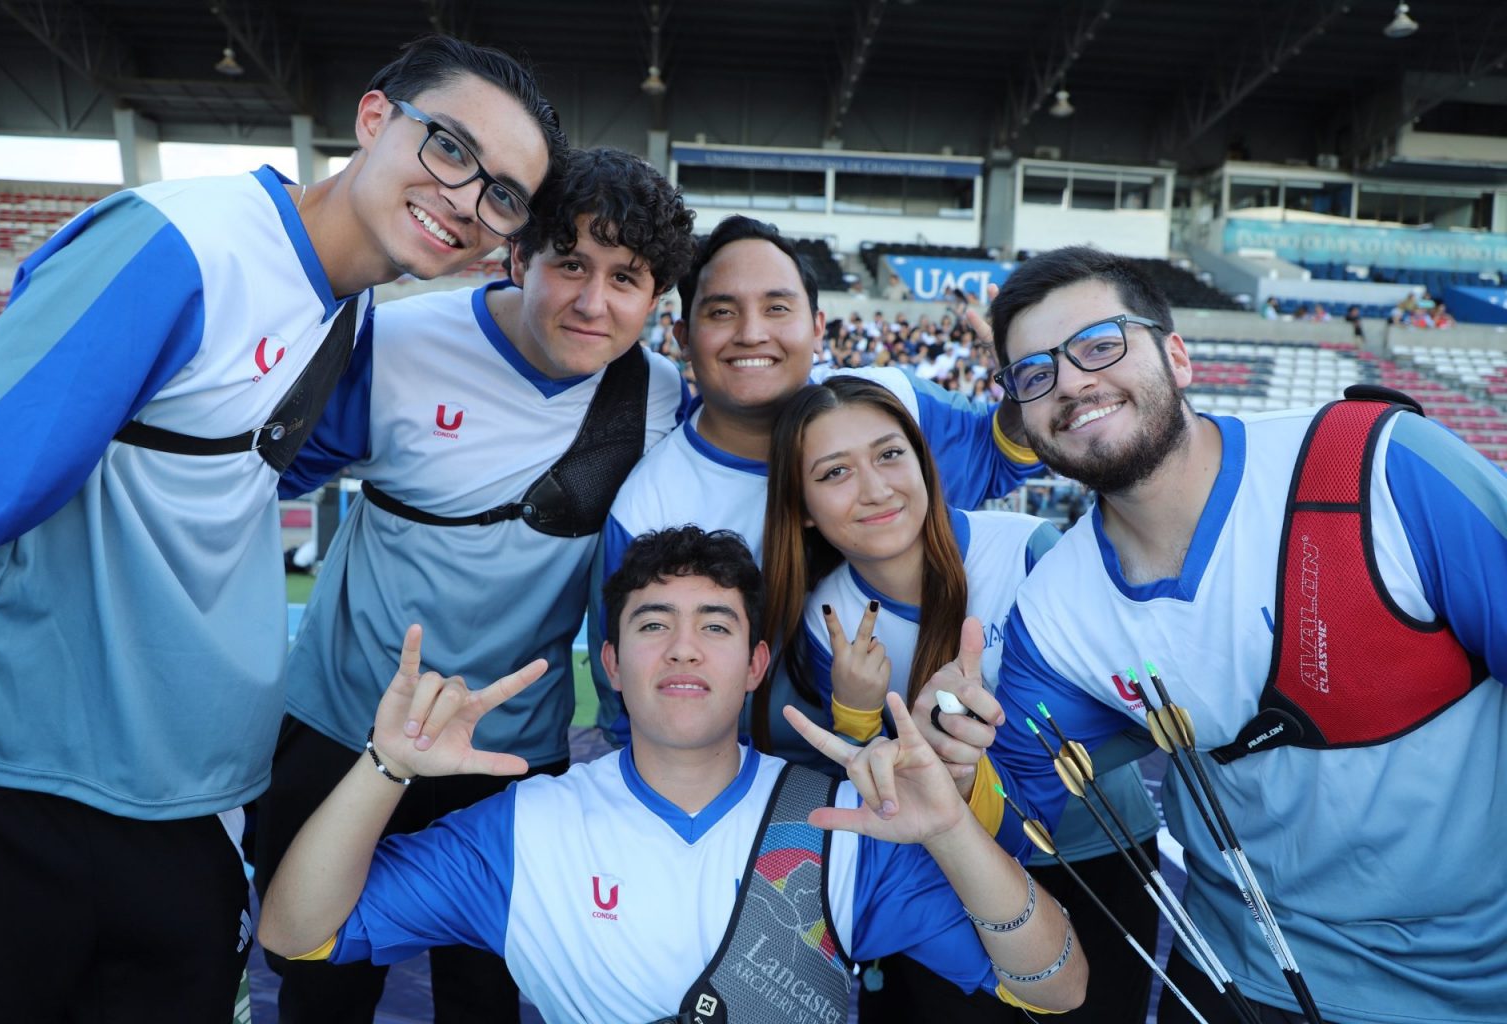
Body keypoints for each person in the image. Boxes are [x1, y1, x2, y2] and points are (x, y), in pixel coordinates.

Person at [0, 34, 563, 1022]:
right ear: (373, 118)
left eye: (503, 194)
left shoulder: (348, 312)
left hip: (189, 802)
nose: (467, 200)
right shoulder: (181, 245)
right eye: (451, 148)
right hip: (34, 794)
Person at [257, 527, 1088, 1021]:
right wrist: (386, 766)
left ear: (756, 665)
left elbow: (1057, 988)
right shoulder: (525, 828)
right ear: (611, 665)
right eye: (654, 625)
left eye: (716, 626)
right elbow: (295, 934)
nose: (685, 648)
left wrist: (951, 831)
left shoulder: (841, 823)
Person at [981, 245, 1507, 1023]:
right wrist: (949, 759)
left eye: (1098, 345)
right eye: (1034, 374)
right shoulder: (1054, 615)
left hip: (1480, 983)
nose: (1070, 382)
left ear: (1178, 357)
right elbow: (1008, 810)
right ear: (1023, 419)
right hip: (1242, 979)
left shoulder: (1383, 469)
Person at [256, 146, 694, 1023]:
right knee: (318, 980)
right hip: (345, 732)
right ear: (517, 256)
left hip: (511, 759)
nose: (594, 301)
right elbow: (249, 485)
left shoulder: (659, 399)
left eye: (626, 278)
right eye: (571, 263)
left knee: (487, 999)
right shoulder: (395, 345)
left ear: (655, 299)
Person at [758, 376, 1158, 1024]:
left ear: (923, 461)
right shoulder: (824, 616)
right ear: (800, 506)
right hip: (941, 878)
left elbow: (1143, 716)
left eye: (890, 455)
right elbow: (872, 787)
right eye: (835, 472)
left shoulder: (1027, 550)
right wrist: (857, 718)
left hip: (1095, 853)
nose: (875, 488)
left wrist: (1003, 759)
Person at [590, 215, 1043, 740]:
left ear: (818, 326)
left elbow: (997, 455)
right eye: (722, 311)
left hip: (953, 747)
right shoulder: (644, 510)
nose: (752, 333)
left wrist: (1026, 374)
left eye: (777, 308)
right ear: (684, 338)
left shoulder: (887, 402)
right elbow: (630, 711)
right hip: (767, 774)